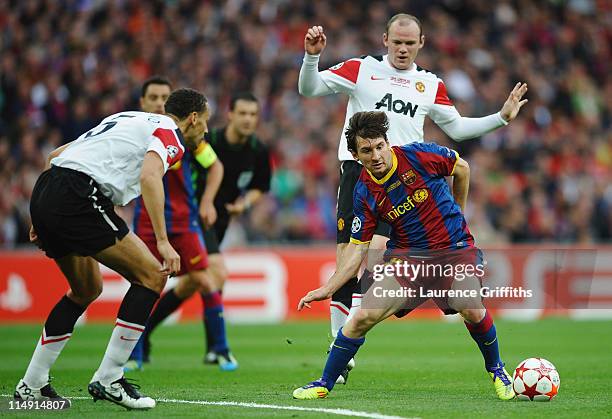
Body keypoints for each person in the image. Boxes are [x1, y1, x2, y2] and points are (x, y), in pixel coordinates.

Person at [298, 13, 528, 383]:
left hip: (410, 175)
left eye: (410, 43)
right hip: (362, 174)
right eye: (396, 42)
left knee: (385, 261)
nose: (402, 48)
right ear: (384, 39)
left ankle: (371, 321)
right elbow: (309, 90)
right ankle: (338, 350)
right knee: (350, 259)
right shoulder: (361, 69)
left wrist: (500, 118)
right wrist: (311, 58)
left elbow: (456, 127)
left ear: (421, 43)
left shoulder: (428, 84)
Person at [292, 111, 514, 401]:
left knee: (468, 304)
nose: (376, 156)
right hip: (409, 261)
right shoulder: (364, 192)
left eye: (379, 146)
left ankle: (497, 369)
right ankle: (324, 383)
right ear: (356, 156)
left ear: (387, 142)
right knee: (362, 318)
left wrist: (458, 211)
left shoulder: (419, 156)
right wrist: (328, 289)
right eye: (366, 151)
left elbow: (462, 168)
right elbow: (358, 249)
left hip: (454, 251)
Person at [15, 88, 209, 410]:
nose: (205, 130)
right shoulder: (170, 133)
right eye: (204, 122)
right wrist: (162, 241)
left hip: (49, 190)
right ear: (192, 118)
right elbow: (150, 177)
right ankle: (109, 378)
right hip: (80, 195)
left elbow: (54, 156)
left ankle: (32, 384)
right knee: (151, 276)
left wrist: (40, 216)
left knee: (86, 288)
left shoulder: (126, 117)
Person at [135, 92, 270, 366]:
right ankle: (216, 348)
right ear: (230, 115)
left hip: (220, 221)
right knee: (216, 274)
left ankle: (145, 333)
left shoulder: (257, 149)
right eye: (242, 113)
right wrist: (206, 201)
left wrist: (244, 204)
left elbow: (260, 186)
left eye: (253, 114)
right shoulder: (208, 140)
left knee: (189, 284)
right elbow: (209, 167)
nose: (247, 119)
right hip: (196, 217)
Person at [124, 77, 237, 371]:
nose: (160, 101)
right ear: (143, 102)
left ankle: (221, 349)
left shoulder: (188, 137)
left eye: (165, 96)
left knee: (205, 278)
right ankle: (134, 354)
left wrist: (207, 200)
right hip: (149, 221)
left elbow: (215, 167)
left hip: (184, 221)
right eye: (154, 96)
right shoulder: (139, 132)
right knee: (145, 283)